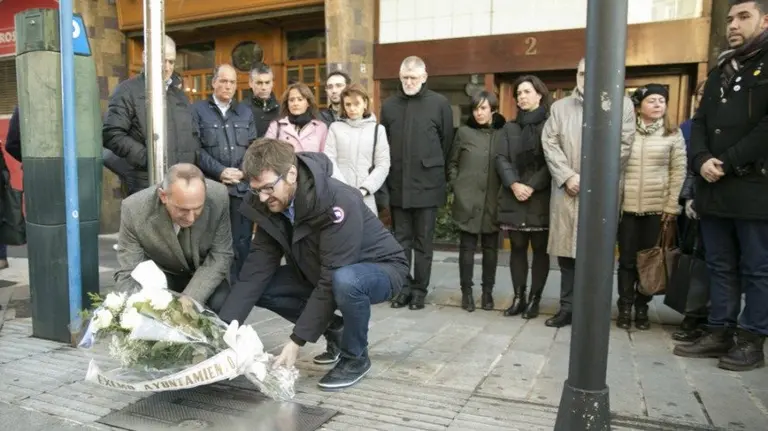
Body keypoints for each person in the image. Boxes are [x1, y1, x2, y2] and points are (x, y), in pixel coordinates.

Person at [217, 138, 408, 390]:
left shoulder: (336, 200)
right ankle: (337, 331)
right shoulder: (267, 202)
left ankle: (355, 357)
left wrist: (296, 342)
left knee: (346, 281)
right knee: (261, 286)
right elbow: (255, 273)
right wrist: (221, 334)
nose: (262, 198)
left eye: (267, 188)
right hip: (320, 269)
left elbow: (332, 277)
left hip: (380, 268)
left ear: (292, 174)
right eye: (255, 190)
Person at [673, 0, 768, 371]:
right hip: (714, 187)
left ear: (764, 19)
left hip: (753, 188)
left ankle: (751, 340)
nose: (733, 24)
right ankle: (719, 332)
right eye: (730, 18)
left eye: (743, 17)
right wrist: (700, 160)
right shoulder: (723, 67)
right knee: (719, 265)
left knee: (757, 269)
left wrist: (725, 162)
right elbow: (699, 122)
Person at [541, 57, 636, 328]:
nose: (586, 78)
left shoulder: (622, 105)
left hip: (601, 194)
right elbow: (549, 143)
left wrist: (591, 180)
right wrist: (567, 176)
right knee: (567, 255)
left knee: (597, 254)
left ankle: (593, 311)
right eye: (582, 73)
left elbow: (623, 146)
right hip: (567, 191)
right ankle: (567, 308)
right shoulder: (560, 107)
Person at [381, 55, 454, 311]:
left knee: (424, 242)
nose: (409, 82)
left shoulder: (439, 103)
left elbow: (447, 143)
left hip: (428, 184)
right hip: (398, 183)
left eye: (413, 77)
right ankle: (403, 289)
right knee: (401, 241)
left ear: (424, 77)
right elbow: (384, 144)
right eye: (405, 77)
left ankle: (420, 291)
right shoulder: (389, 106)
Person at [114, 163, 233, 312]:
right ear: (163, 196)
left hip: (203, 273)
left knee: (223, 302)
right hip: (162, 278)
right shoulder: (134, 209)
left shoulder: (219, 196)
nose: (190, 218)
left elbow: (221, 255)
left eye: (198, 209)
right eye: (183, 209)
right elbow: (129, 270)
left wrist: (190, 299)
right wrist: (132, 311)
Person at [617, 84, 686, 330]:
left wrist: (671, 206)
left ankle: (642, 307)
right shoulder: (625, 132)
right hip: (627, 210)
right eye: (651, 100)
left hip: (657, 210)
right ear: (639, 106)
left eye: (661, 101)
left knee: (648, 262)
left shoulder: (673, 134)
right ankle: (624, 307)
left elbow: (678, 172)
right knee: (626, 261)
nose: (658, 105)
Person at [102, 35, 199, 195]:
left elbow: (193, 135)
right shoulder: (127, 91)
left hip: (178, 184)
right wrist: (149, 160)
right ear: (145, 57)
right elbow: (112, 134)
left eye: (171, 61)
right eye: (162, 60)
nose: (167, 67)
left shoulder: (180, 96)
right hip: (144, 183)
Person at [193, 64, 257, 281]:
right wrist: (220, 171)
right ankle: (214, 286)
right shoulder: (198, 110)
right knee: (212, 242)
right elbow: (194, 149)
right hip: (212, 189)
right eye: (223, 81)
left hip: (240, 188)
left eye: (232, 82)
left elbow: (253, 147)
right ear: (213, 82)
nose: (228, 86)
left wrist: (242, 172)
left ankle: (240, 288)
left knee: (242, 242)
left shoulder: (245, 112)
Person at [495, 76, 552, 319]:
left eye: (527, 91)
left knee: (540, 250)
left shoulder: (551, 125)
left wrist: (531, 185)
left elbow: (553, 160)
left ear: (539, 94)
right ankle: (519, 297)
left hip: (540, 196)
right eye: (519, 93)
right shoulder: (510, 127)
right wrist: (514, 184)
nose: (522, 96)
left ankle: (535, 300)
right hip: (514, 195)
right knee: (517, 248)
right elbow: (500, 158)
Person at [448, 90, 505, 312]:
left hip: (493, 199)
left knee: (491, 249)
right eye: (475, 108)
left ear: (492, 109)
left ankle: (487, 293)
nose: (478, 113)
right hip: (467, 199)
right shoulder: (463, 133)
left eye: (483, 108)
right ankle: (467, 293)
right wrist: (457, 185)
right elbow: (452, 163)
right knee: (467, 248)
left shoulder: (503, 133)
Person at [323, 83, 390, 215]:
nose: (352, 108)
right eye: (348, 104)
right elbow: (329, 159)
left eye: (356, 103)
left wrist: (365, 189)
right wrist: (343, 188)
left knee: (368, 233)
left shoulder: (377, 130)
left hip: (367, 196)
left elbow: (383, 164)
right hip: (340, 196)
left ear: (365, 103)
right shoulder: (335, 128)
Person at [264, 83, 328, 153]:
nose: (295, 103)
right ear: (287, 103)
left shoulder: (320, 127)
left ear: (308, 103)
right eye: (291, 100)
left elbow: (324, 157)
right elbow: (267, 153)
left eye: (300, 99)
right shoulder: (276, 125)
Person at [244, 63, 280, 137]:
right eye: (259, 83)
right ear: (250, 83)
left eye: (267, 82)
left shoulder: (282, 109)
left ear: (272, 83)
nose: (264, 87)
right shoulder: (241, 109)